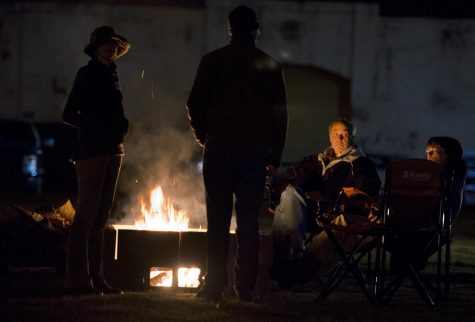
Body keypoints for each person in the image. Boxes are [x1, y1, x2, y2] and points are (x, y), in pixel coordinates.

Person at [186, 5, 288, 302]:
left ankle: (213, 285)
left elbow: (194, 105)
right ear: (256, 31)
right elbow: (280, 118)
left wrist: (205, 137)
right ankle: (246, 288)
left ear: (230, 30)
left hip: (219, 149)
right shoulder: (270, 66)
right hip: (254, 154)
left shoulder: (212, 61)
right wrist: (275, 157)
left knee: (217, 220)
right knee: (248, 223)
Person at [62, 26, 130, 296]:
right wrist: (96, 127)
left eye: (113, 44)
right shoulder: (87, 74)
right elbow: (69, 113)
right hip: (91, 153)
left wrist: (121, 125)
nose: (110, 48)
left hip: (114, 151)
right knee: (85, 218)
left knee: (100, 218)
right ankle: (77, 281)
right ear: (96, 48)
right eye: (105, 44)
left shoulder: (112, 74)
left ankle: (97, 279)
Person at [271, 119, 381, 262]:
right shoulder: (313, 161)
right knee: (289, 195)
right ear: (329, 136)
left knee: (282, 212)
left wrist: (325, 200)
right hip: (304, 213)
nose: (339, 138)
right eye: (335, 134)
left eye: (344, 134)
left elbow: (364, 200)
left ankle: (287, 260)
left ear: (352, 137)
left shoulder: (361, 166)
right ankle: (294, 258)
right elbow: (289, 182)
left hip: (332, 217)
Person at [388, 136, 467, 271]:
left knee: (404, 248)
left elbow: (448, 213)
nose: (428, 155)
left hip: (429, 229)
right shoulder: (422, 176)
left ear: (449, 156)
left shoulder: (452, 180)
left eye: (435, 151)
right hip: (408, 224)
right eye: (427, 152)